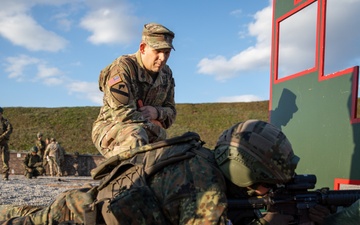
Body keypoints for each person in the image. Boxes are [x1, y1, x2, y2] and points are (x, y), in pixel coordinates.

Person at [0, 120, 353, 224]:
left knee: (20, 212)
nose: (265, 190)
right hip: (79, 218)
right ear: (245, 173)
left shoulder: (201, 155)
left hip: (82, 203)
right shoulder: (206, 189)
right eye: (264, 184)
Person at [92, 22, 177, 159]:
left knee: (175, 151)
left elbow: (171, 112)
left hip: (150, 130)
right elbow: (123, 114)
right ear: (143, 48)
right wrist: (154, 126)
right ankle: (130, 179)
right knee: (135, 136)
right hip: (112, 129)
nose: (162, 58)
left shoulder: (166, 74)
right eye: (158, 51)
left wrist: (157, 112)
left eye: (166, 52)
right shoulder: (122, 68)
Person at [0, 107, 13, 181]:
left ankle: (5, 174)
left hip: (3, 143)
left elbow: (9, 129)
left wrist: (2, 136)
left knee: (5, 159)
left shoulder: (5, 122)